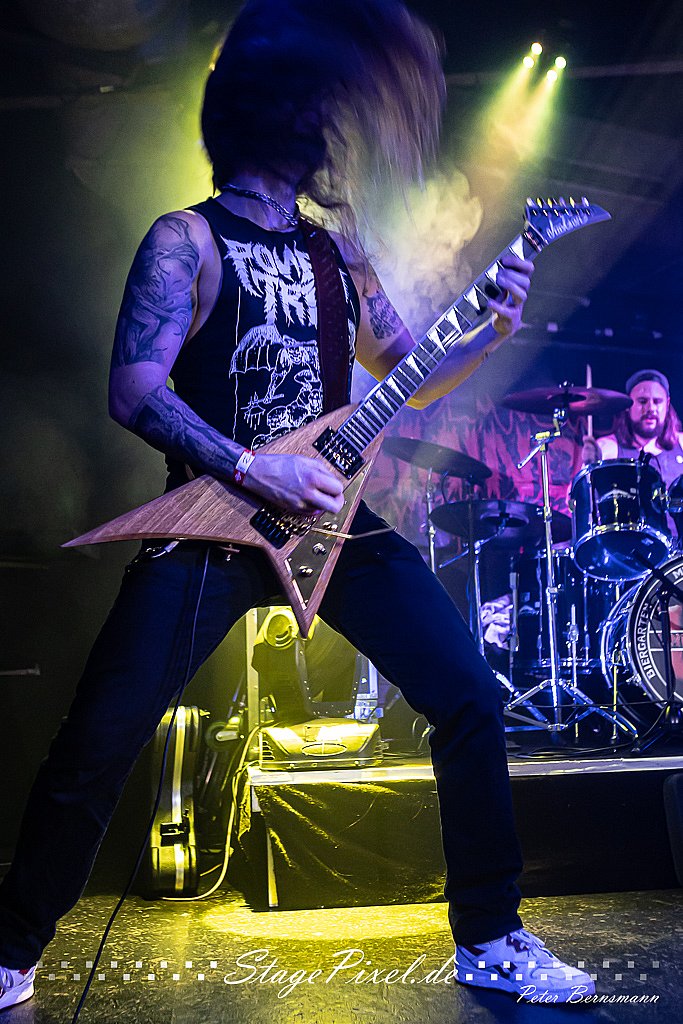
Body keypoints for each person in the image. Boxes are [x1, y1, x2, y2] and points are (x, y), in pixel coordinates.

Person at [0, 0, 595, 1009]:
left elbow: (405, 371)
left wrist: (491, 328)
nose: (328, 124)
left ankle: (491, 937)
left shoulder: (338, 250)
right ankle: (11, 949)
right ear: (263, 112)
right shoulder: (185, 240)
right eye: (309, 103)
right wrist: (252, 466)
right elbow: (133, 389)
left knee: (467, 693)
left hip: (333, 524)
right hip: (209, 527)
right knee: (95, 742)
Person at [582, 369, 683, 485]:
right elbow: (579, 492)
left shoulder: (681, 443)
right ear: (628, 404)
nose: (651, 408)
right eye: (642, 401)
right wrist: (590, 467)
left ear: (667, 404)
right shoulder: (607, 448)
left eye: (657, 401)